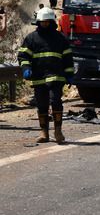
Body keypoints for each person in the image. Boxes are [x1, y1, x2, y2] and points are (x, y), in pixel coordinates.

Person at [18, 8, 73, 144]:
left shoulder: (61, 38)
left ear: (51, 21)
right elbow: (23, 55)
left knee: (55, 101)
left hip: (56, 76)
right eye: (42, 22)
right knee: (42, 104)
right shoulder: (31, 38)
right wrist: (26, 68)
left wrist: (70, 74)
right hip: (38, 76)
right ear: (38, 22)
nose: (44, 24)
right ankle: (44, 133)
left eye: (47, 22)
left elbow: (68, 58)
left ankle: (58, 131)